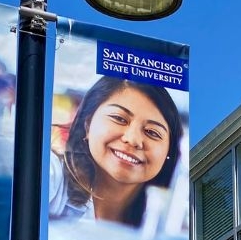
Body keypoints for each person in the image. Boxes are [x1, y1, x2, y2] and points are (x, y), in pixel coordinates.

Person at [49, 76, 184, 228]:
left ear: (169, 152)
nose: (132, 140)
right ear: (88, 124)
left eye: (152, 132)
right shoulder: (52, 175)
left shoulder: (170, 220)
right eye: (119, 119)